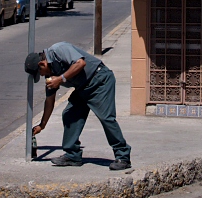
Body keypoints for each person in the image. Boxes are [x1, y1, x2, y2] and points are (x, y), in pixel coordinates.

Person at [24, 42, 131, 170]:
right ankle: (73, 155)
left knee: (106, 118)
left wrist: (61, 78)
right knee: (69, 115)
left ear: (42, 64)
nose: (41, 76)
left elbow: (80, 63)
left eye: (39, 72)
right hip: (83, 88)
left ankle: (123, 156)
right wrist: (42, 125)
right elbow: (49, 101)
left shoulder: (58, 50)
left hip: (99, 80)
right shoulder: (50, 74)